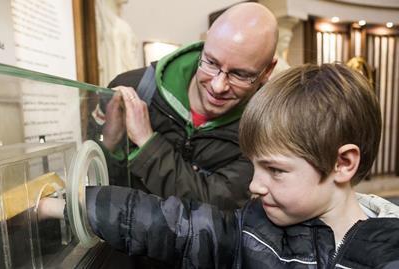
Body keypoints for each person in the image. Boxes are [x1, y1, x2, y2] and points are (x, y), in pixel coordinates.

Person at [82, 63, 399, 268]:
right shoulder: (254, 229)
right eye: (255, 167)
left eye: (275, 170)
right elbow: (174, 225)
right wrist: (78, 202)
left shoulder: (389, 255)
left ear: (342, 164)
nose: (254, 186)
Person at [99, 2, 278, 210]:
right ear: (206, 40)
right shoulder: (134, 86)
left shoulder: (265, 130)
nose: (218, 86)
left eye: (240, 74)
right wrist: (108, 144)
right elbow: (96, 181)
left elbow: (217, 206)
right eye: (211, 62)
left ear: (267, 71)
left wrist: (147, 143)